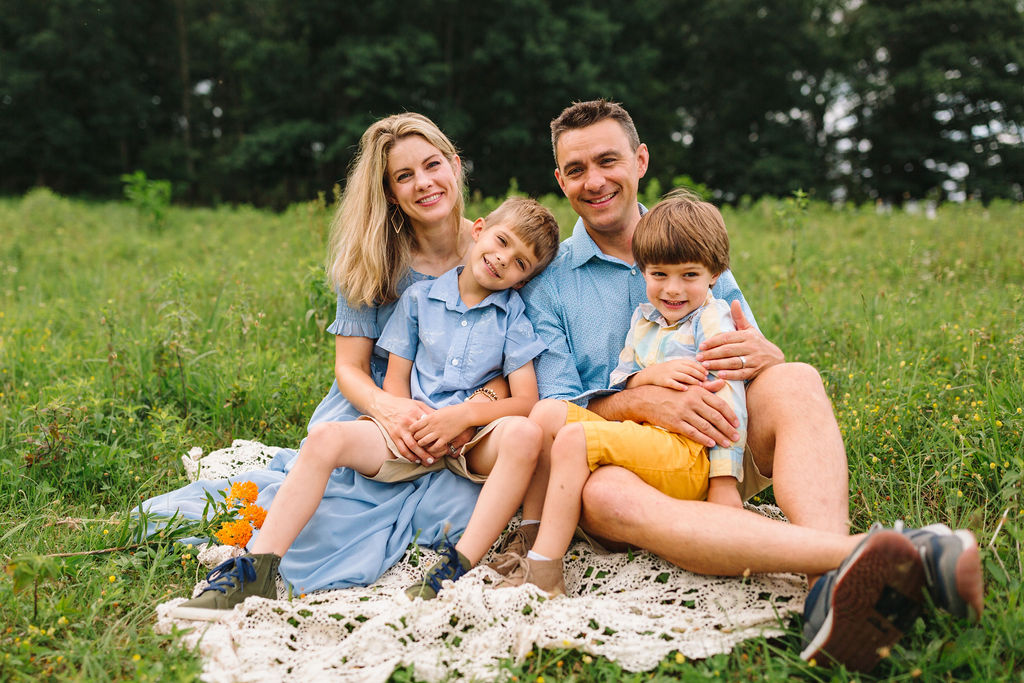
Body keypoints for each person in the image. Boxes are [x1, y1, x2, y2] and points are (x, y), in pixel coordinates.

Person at [508, 99, 983, 672]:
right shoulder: (550, 282)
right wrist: (641, 400)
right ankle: (877, 559)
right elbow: (555, 404)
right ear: (560, 179)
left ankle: (824, 589)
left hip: (719, 437)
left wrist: (767, 353)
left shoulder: (690, 236)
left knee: (796, 378)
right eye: (576, 169)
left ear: (640, 160)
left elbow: (746, 346)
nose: (595, 180)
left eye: (608, 160)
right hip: (625, 461)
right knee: (603, 491)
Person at [140, 113, 501, 601]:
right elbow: (349, 369)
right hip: (377, 404)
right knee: (332, 518)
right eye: (403, 176)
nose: (424, 183)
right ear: (390, 193)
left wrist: (470, 409)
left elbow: (518, 353)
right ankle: (255, 569)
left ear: (455, 166)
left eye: (432, 165)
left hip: (464, 410)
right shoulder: (373, 260)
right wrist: (388, 410)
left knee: (451, 511)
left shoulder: (497, 248)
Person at [171, 196, 560, 619]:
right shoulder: (418, 300)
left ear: (523, 281)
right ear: (479, 229)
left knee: (526, 433)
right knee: (325, 438)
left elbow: (525, 401)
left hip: (470, 441)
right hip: (409, 427)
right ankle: (256, 569)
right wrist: (403, 423)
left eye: (520, 263)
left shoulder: (513, 318)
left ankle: (454, 568)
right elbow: (395, 378)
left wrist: (465, 417)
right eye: (502, 241)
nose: (503, 259)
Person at [492, 190, 747, 596]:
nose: (672, 289)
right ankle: (531, 534)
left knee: (576, 438)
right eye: (659, 275)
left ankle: (545, 569)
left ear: (714, 274)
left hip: (691, 453)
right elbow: (624, 376)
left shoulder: (712, 322)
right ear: (643, 270)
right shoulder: (645, 319)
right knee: (545, 414)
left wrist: (724, 481)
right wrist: (645, 384)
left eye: (689, 276)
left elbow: (730, 400)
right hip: (648, 438)